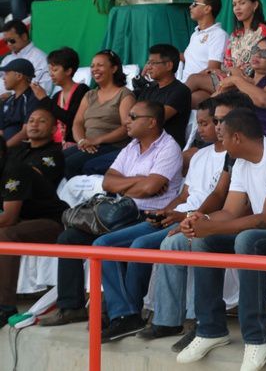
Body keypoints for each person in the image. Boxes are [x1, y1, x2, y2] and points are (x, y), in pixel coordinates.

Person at [174, 108, 266, 369]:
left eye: (223, 136)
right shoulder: (241, 162)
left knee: (247, 240)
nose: (220, 143)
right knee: (203, 242)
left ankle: (257, 337)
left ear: (238, 138)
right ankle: (210, 330)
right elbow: (230, 211)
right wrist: (201, 222)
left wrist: (212, 227)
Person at [41, 101, 182, 329]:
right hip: (119, 213)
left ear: (151, 122)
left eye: (133, 116)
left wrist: (129, 184)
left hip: (147, 216)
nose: (126, 120)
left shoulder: (169, 147)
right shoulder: (131, 147)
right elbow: (108, 181)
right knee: (68, 239)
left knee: (107, 244)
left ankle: (118, 312)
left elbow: (149, 189)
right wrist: (140, 180)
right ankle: (71, 307)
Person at [139, 94, 250, 348]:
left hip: (257, 224)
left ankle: (204, 324)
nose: (218, 126)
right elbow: (216, 194)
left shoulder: (256, 151)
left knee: (193, 240)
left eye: (221, 120)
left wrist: (196, 220)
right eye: (216, 121)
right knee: (173, 240)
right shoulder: (220, 155)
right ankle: (169, 321)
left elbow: (243, 210)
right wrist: (192, 218)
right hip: (218, 217)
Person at [0, 107, 68, 326]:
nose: (34, 124)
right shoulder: (17, 153)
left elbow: (9, 218)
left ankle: (5, 305)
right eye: (31, 120)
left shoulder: (13, 169)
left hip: (53, 223)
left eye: (41, 121)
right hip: (24, 220)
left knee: (5, 235)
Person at [187, 0, 266, 107]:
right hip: (228, 77)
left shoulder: (262, 31)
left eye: (242, 3)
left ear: (255, 5)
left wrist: (235, 73)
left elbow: (259, 61)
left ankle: (165, 104)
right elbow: (227, 62)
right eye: (234, 5)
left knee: (194, 79)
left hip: (246, 81)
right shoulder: (235, 34)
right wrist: (223, 70)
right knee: (196, 98)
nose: (237, 8)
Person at [63, 50, 136, 177]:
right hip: (88, 144)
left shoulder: (124, 94)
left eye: (100, 65)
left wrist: (97, 140)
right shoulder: (90, 95)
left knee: (71, 163)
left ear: (113, 68)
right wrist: (81, 141)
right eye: (92, 66)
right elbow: (77, 122)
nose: (95, 69)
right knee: (56, 160)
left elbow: (126, 128)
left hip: (112, 145)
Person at [214, 35, 266, 137]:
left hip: (260, 136)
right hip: (233, 133)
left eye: (264, 53)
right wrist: (226, 87)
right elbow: (212, 102)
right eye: (255, 49)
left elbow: (263, 100)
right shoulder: (245, 79)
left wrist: (236, 80)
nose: (257, 54)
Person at [30, 47, 88, 145]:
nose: (51, 74)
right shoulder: (57, 96)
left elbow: (72, 119)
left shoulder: (82, 90)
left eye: (55, 69)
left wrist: (44, 98)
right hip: (54, 144)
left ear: (68, 71)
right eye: (50, 70)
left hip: (74, 143)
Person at [182, 0, 227, 81]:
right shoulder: (195, 34)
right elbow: (191, 57)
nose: (190, 6)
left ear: (207, 9)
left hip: (199, 85)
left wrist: (190, 83)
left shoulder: (219, 34)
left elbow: (212, 69)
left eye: (195, 4)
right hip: (186, 84)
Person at [1, 20, 50, 91]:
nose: (9, 44)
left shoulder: (40, 58)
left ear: (24, 36)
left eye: (12, 41)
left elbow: (44, 89)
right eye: (6, 42)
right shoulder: (7, 59)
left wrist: (12, 95)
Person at [0, 59, 37, 146]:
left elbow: (26, 132)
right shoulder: (8, 100)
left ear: (19, 76)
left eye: (7, 74)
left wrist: (3, 149)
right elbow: (1, 130)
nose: (3, 78)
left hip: (20, 151)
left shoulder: (33, 98)